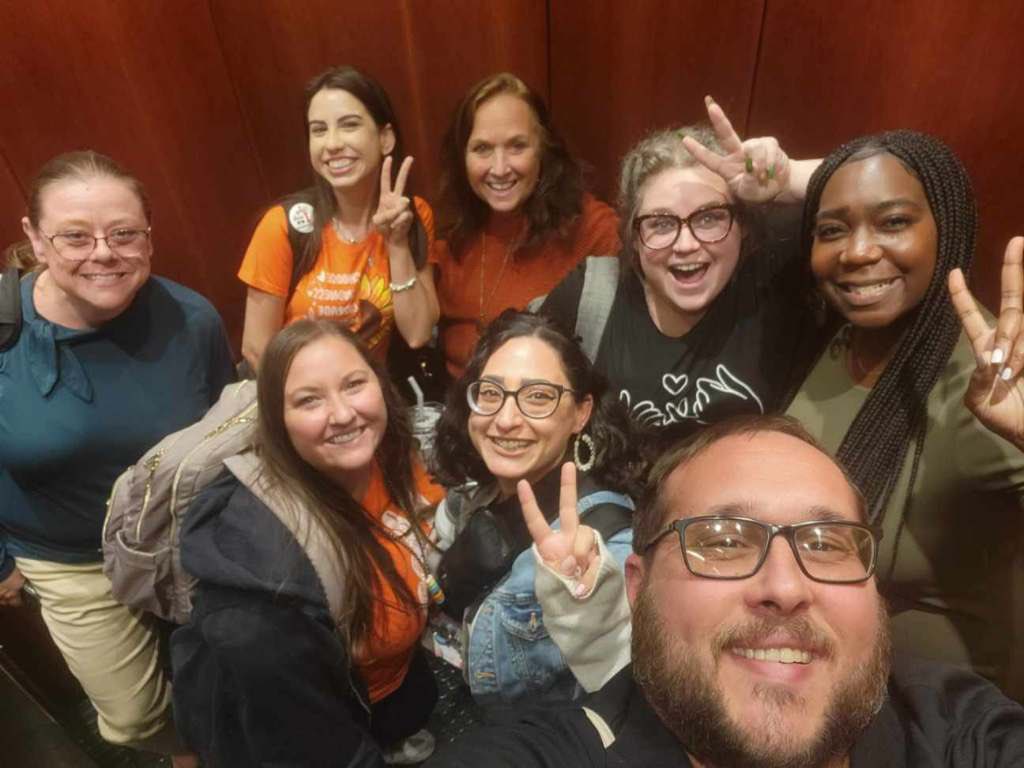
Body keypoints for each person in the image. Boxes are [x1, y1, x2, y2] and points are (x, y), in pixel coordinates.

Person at [425, 415, 1024, 767]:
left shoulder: (953, 727)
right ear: (637, 586)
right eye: (721, 540)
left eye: (825, 543)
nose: (785, 587)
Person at [0, 150, 234, 765]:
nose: (103, 252)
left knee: (237, 665)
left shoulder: (192, 319)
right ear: (34, 237)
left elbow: (221, 434)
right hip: (69, 556)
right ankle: (186, 752)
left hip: (184, 536)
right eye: (74, 236)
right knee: (132, 718)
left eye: (123, 233)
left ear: (148, 237)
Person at [786, 131, 1024, 698]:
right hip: (826, 684)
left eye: (893, 222)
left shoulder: (991, 390)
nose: (858, 251)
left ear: (948, 228)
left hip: (942, 717)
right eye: (833, 230)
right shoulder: (837, 335)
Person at [171, 319, 443, 766]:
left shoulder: (390, 455)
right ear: (279, 422)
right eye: (308, 400)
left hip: (387, 688)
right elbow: (313, 744)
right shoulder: (268, 590)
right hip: (325, 721)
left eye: (354, 384)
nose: (342, 414)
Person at [541, 98, 822, 435]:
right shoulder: (592, 292)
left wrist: (791, 178)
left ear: (743, 226)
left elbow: (892, 176)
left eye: (709, 218)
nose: (686, 244)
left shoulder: (772, 280)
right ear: (632, 236)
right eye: (660, 223)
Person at [430, 310, 642, 708]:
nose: (506, 419)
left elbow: (620, 681)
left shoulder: (607, 542)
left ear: (582, 412)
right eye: (491, 393)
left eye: (538, 397)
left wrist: (589, 606)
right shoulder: (476, 488)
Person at [238, 65, 439, 371]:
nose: (331, 144)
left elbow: (418, 333)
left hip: (370, 395)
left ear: (385, 139)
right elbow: (256, 348)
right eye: (319, 130)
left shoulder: (411, 212)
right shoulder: (282, 224)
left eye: (349, 125)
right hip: (299, 392)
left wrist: (396, 243)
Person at [435, 72, 620, 378]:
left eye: (517, 146)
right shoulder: (449, 233)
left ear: (544, 150)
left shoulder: (592, 229)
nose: (499, 168)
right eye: (482, 148)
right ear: (462, 156)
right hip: (459, 411)